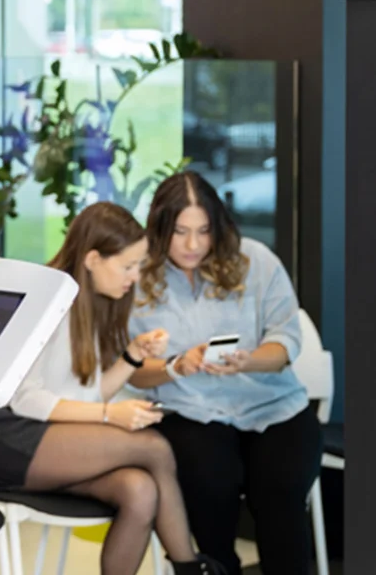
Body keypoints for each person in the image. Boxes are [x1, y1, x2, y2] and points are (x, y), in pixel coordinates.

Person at [0, 202, 225, 575]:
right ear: (93, 258)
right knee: (154, 447)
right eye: (128, 266)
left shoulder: (90, 303)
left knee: (140, 491)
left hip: (51, 440)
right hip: (12, 438)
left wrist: (130, 357)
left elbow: (85, 397)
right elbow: (27, 399)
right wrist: (111, 416)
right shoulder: (47, 303)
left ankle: (189, 567)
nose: (136, 277)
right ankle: (190, 568)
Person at [129, 171, 322, 575]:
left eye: (203, 231)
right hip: (191, 411)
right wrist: (175, 365)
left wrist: (247, 361)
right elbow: (133, 373)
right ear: (160, 228)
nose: (193, 245)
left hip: (273, 405)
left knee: (280, 489)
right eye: (180, 232)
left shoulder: (255, 260)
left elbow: (285, 342)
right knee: (208, 484)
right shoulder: (139, 276)